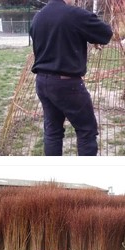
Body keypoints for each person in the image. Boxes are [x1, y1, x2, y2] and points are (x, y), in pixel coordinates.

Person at [30, 0, 113, 156]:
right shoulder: (74, 14)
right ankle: (85, 176)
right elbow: (106, 34)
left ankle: (54, 175)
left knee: (52, 131)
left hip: (42, 82)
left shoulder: (38, 17)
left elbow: (56, 40)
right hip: (67, 84)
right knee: (86, 130)